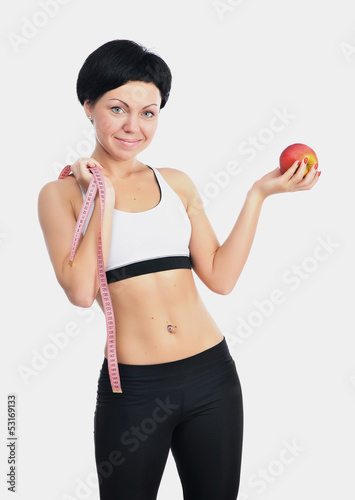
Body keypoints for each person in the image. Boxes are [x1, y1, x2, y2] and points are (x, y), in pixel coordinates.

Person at [37, 39, 320, 500]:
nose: (134, 126)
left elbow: (220, 278)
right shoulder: (61, 194)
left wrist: (258, 195)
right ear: (87, 106)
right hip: (134, 388)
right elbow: (80, 292)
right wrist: (99, 197)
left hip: (213, 377)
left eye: (149, 113)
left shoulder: (176, 182)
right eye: (118, 109)